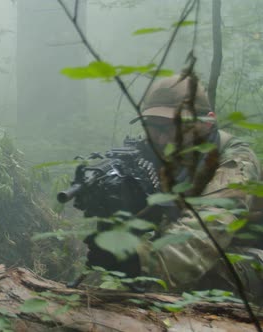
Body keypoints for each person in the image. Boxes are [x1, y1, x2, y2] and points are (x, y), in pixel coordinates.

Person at [85, 74, 263, 302]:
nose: (160, 137)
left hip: (245, 254)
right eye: (152, 126)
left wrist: (141, 260)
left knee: (207, 274)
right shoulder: (150, 151)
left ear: (207, 122)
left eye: (173, 126)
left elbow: (208, 228)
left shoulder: (235, 159)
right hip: (182, 245)